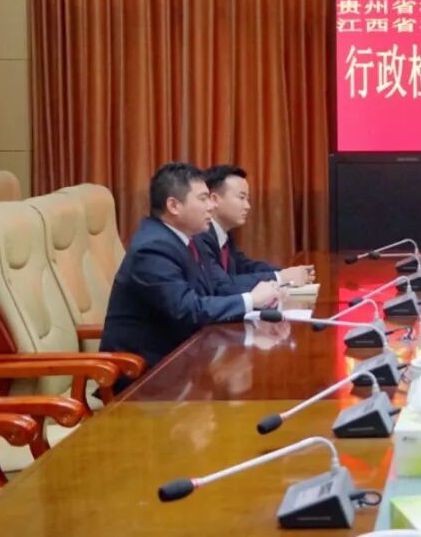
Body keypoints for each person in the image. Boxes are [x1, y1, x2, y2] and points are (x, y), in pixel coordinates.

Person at [100, 162, 284, 387]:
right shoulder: (152, 249)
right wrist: (251, 300)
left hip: (183, 362)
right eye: (203, 199)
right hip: (147, 377)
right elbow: (187, 310)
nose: (211, 206)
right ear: (173, 205)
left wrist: (261, 306)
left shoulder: (189, 239)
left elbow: (214, 290)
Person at [198, 164, 313, 288]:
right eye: (241, 198)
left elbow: (244, 266)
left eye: (247, 199)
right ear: (214, 199)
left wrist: (286, 273)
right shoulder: (201, 234)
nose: (247, 206)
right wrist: (281, 277)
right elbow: (220, 284)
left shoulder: (224, 233)